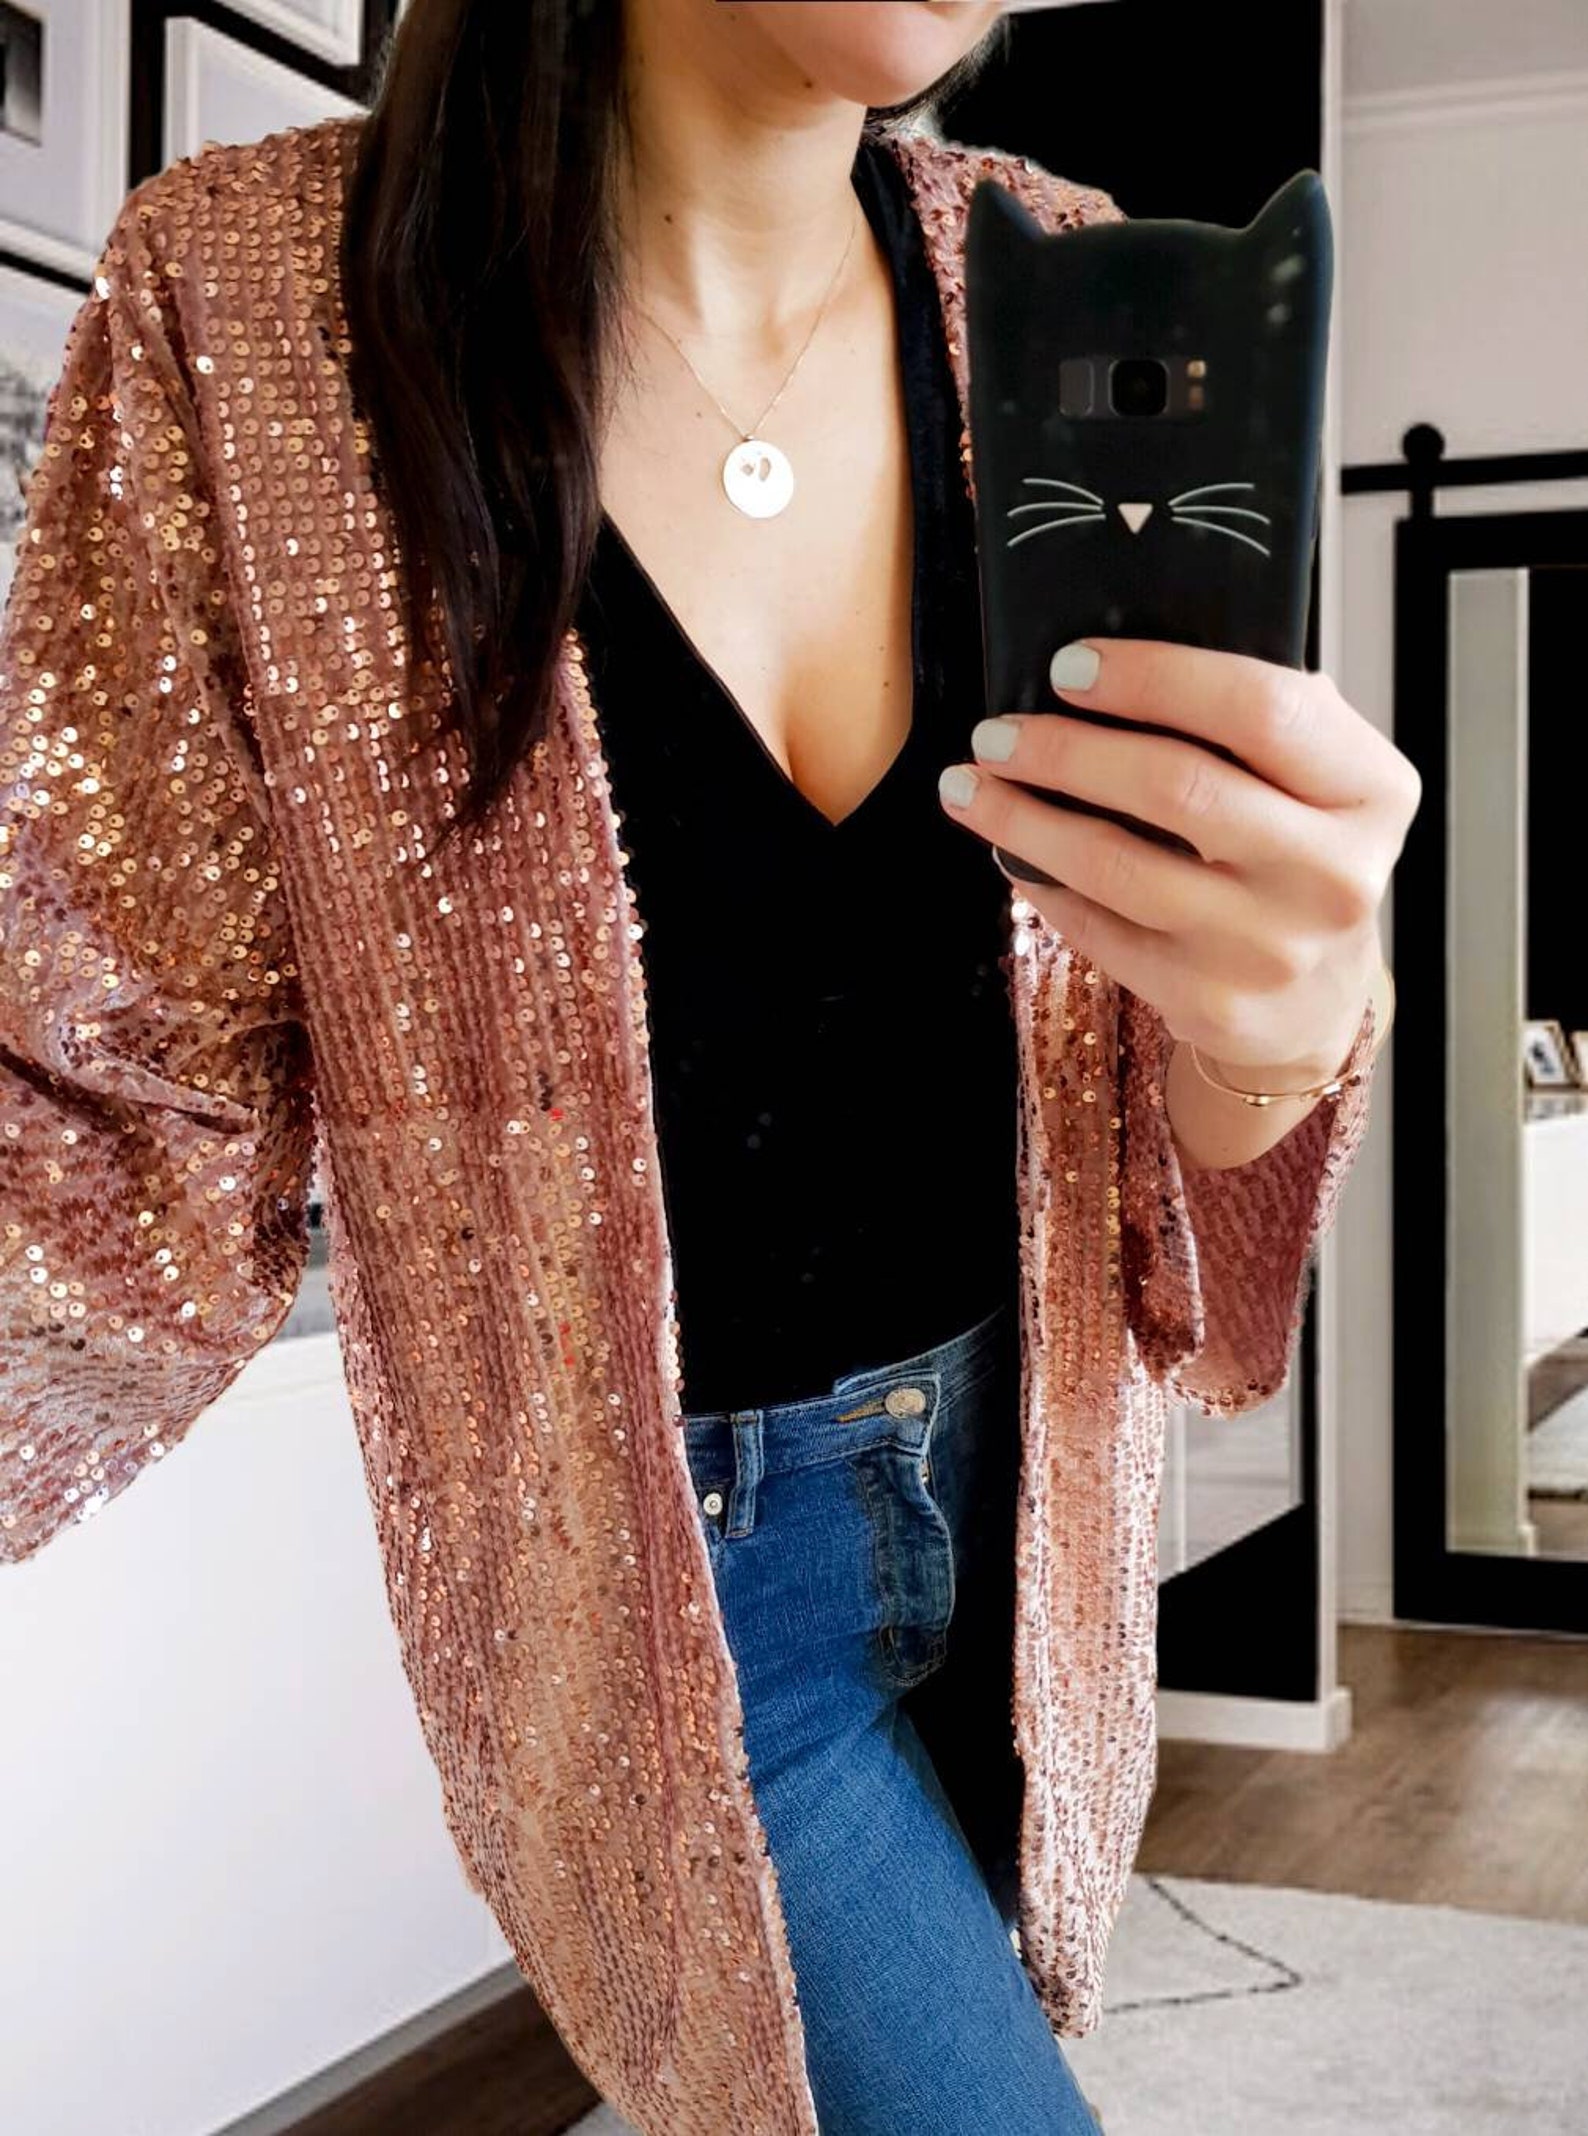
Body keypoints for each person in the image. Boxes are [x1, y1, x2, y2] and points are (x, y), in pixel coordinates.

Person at [0, 4, 1416, 2132]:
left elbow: (1166, 1169)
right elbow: (110, 1115)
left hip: (1039, 1507)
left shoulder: (1049, 267)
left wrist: (1285, 1019)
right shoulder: (252, 304)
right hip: (675, 1594)